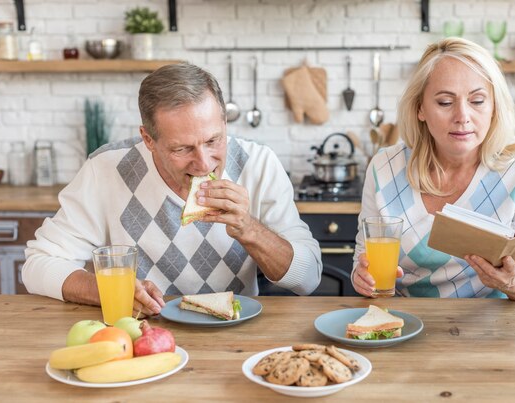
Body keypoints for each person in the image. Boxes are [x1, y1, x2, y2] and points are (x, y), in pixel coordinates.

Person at [23, 63, 322, 316]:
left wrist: (250, 229)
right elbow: (38, 265)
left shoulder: (258, 164)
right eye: (182, 148)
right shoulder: (106, 169)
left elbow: (307, 279)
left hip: (235, 336)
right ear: (148, 139)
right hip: (142, 333)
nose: (204, 163)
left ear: (224, 122)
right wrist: (111, 291)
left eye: (213, 140)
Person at [352, 37, 515, 300]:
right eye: (445, 102)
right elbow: (362, 257)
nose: (463, 116)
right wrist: (362, 276)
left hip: (494, 329)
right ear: (420, 109)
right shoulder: (384, 168)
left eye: (478, 101)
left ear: (494, 106)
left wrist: (513, 282)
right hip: (404, 324)